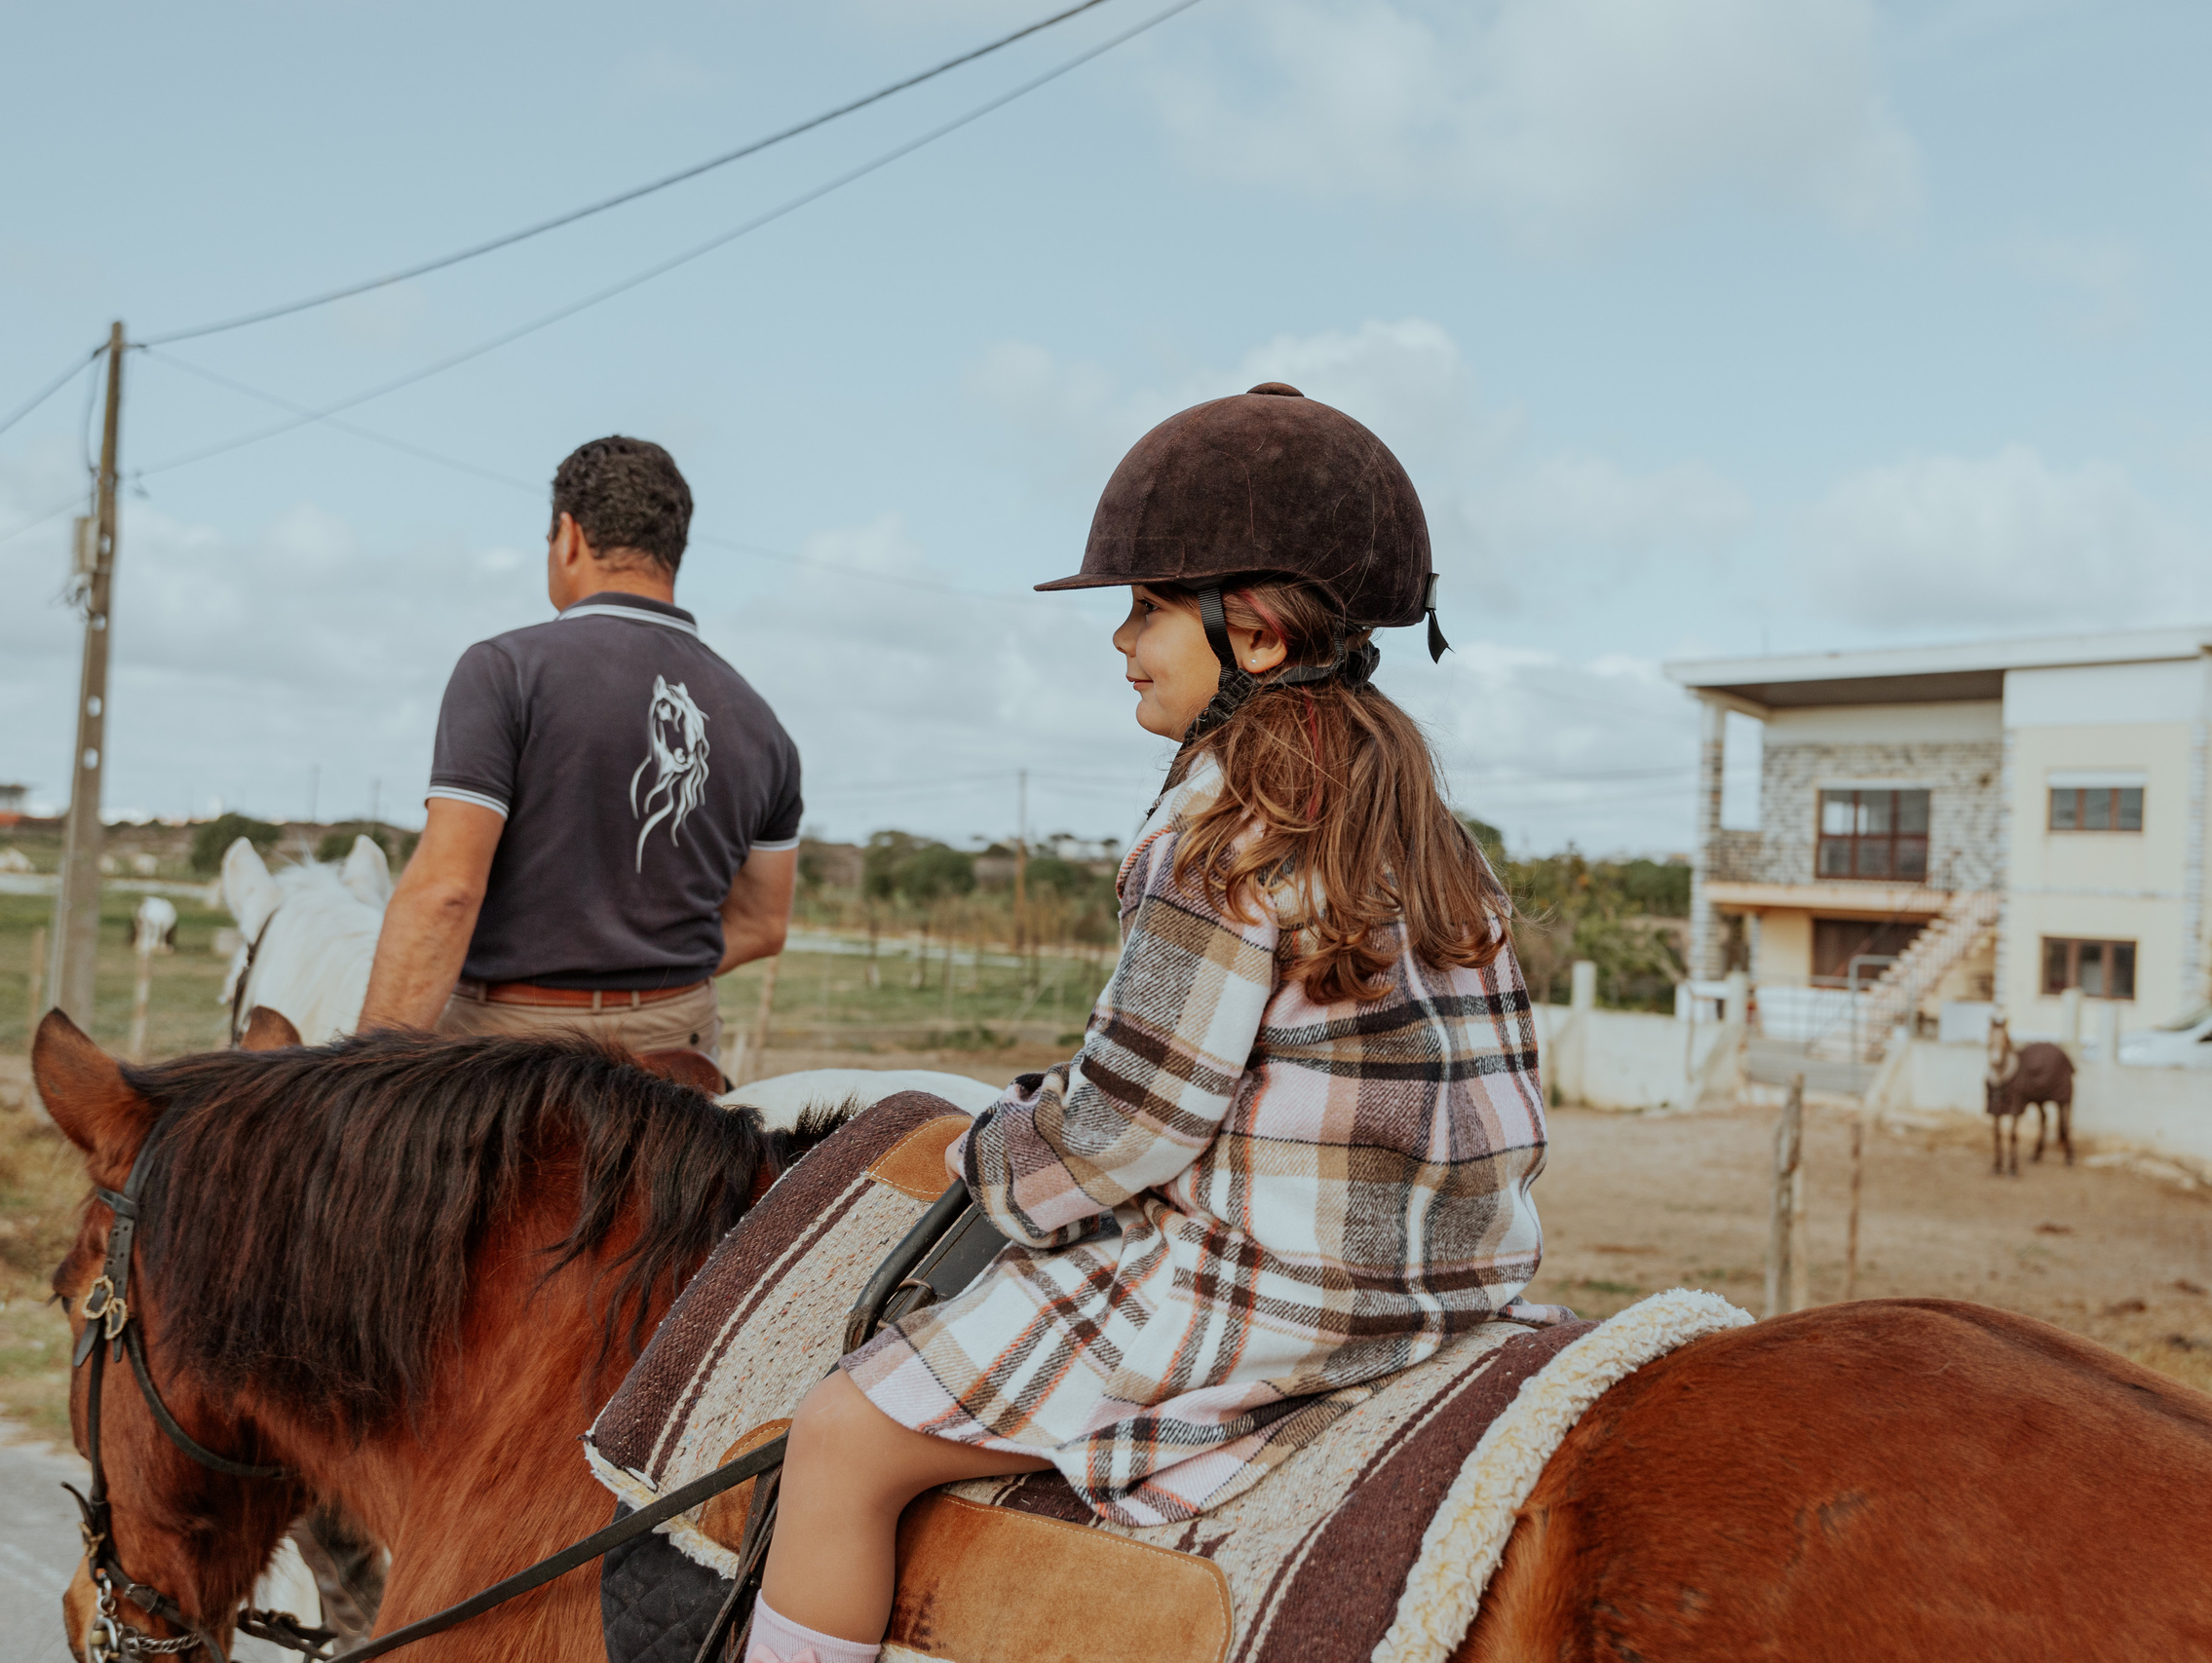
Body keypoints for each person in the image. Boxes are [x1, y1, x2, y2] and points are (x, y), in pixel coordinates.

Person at [743, 384, 1551, 1663]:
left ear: (1256, 635)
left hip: (1277, 1296)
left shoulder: (1221, 829)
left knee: (840, 1439)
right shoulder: (1430, 829)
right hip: (1454, 1282)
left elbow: (1126, 1129)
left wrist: (989, 1149)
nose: (1121, 637)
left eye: (1147, 606)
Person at [359, 436, 802, 1061]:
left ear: (567, 537)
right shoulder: (761, 723)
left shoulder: (504, 670)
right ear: (672, 551)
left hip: (512, 1052)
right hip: (679, 1046)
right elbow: (763, 924)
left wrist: (360, 1073)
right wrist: (645, 979)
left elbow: (447, 894)